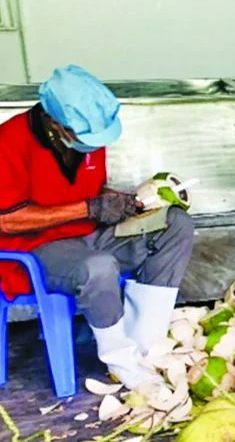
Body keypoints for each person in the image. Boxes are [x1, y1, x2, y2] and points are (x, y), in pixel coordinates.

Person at [0, 65, 195, 389]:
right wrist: (88, 208)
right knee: (98, 267)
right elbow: (7, 219)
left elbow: (89, 190)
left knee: (176, 224)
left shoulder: (86, 138)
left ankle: (144, 346)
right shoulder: (9, 142)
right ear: (55, 122)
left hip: (91, 233)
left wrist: (118, 202)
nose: (93, 145)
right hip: (35, 251)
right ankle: (120, 359)